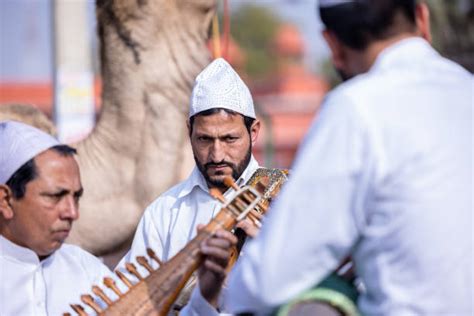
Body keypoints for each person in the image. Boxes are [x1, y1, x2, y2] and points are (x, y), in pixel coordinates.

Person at [225, 0, 473, 315]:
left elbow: (265, 282)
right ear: (422, 17)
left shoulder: (357, 107)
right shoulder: (468, 89)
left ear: (332, 45)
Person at [117, 58, 262, 315]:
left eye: (230, 139)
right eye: (205, 139)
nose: (217, 155)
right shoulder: (164, 213)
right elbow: (128, 301)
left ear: (254, 132)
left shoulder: (285, 200)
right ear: (189, 132)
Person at [0, 121, 115, 315]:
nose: (72, 213)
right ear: (6, 200)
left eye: (76, 197)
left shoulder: (88, 271)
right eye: (55, 196)